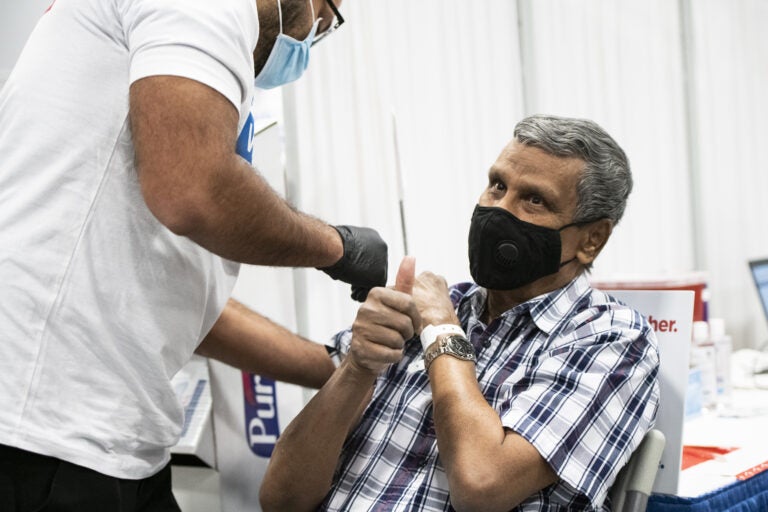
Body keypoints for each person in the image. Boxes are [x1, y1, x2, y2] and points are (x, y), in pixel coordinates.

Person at [0, 0, 383, 510]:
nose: (310, 40)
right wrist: (337, 247)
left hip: (104, 440)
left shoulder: (187, 60)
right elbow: (192, 190)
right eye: (324, 24)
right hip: (43, 436)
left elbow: (179, 302)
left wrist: (343, 369)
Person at [260, 115, 661, 511]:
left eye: (534, 200)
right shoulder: (421, 307)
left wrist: (441, 333)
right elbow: (281, 498)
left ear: (591, 239)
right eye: (497, 186)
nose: (499, 210)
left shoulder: (610, 339)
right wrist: (358, 367)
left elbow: (481, 487)